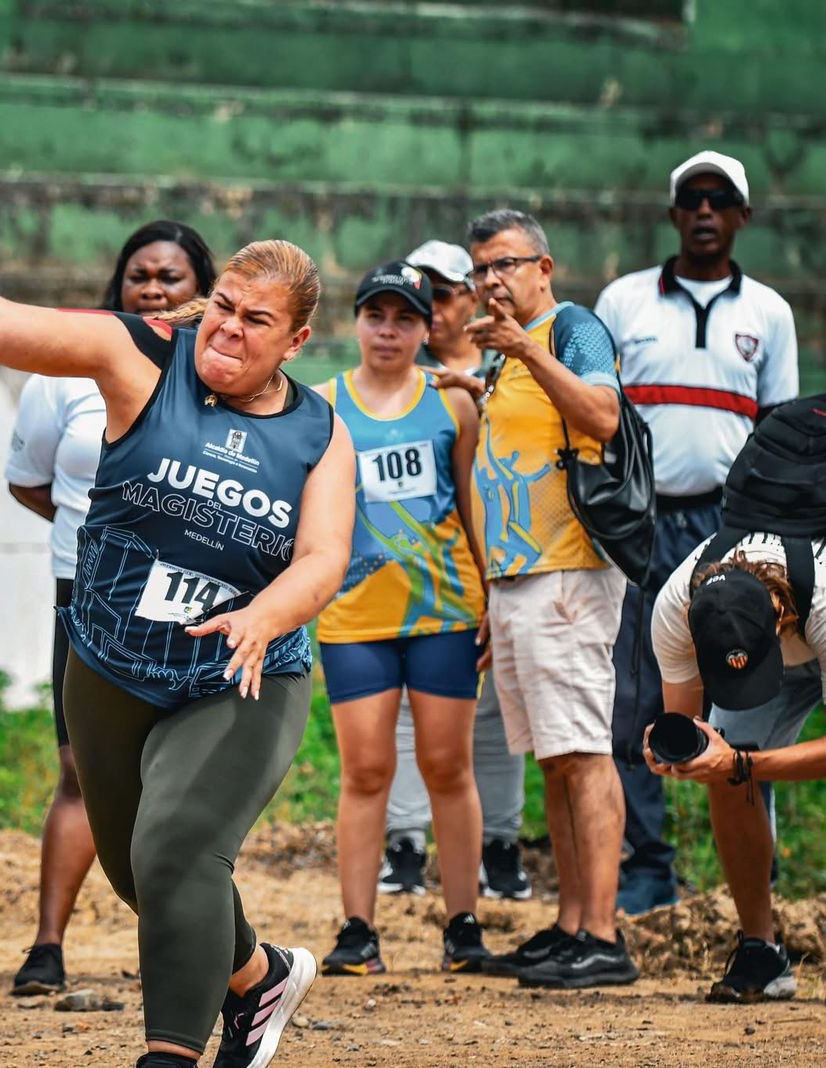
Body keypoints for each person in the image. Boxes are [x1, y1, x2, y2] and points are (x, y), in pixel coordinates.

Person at [0, 207, 355, 1068]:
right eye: (224, 308)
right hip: (108, 661)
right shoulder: (139, 356)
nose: (230, 330)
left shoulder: (319, 433)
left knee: (176, 846)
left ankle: (167, 1055)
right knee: (140, 873)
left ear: (295, 340)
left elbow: (324, 559)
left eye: (257, 321)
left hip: (242, 670)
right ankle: (259, 974)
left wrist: (267, 613)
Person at [5, 221, 216, 996]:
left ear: (204, 288)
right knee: (80, 770)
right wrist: (98, 537)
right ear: (117, 284)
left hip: (188, 596)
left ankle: (176, 943)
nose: (154, 290)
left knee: (181, 778)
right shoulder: (65, 370)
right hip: (86, 594)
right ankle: (46, 947)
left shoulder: (216, 373)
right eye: (140, 276)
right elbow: (29, 481)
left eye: (171, 277)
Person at [597, 150, 800, 915]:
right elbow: (599, 412)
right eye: (693, 199)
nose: (706, 211)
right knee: (637, 691)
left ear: (742, 216)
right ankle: (647, 869)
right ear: (675, 213)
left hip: (729, 522)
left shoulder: (768, 313)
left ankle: (750, 874)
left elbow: (778, 427)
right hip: (638, 522)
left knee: (746, 694)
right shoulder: (624, 301)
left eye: (721, 200)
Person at [463, 209, 638, 988]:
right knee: (556, 760)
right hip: (521, 578)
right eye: (481, 269)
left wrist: (525, 348)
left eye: (505, 264)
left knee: (583, 753)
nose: (491, 280)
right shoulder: (508, 352)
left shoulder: (574, 329)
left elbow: (601, 415)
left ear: (544, 267)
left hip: (567, 571)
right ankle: (571, 925)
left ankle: (603, 934)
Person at [314, 262, 493, 977]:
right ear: (356, 322)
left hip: (445, 610)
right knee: (365, 771)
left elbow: (474, 505)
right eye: (376, 316)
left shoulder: (453, 405)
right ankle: (358, 929)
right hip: (355, 618)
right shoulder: (323, 406)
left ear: (427, 327)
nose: (388, 331)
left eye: (405, 319)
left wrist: (492, 598)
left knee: (449, 767)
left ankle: (464, 925)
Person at [647, 526, 826, 1003]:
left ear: (778, 616)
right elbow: (692, 730)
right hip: (789, 628)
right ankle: (760, 949)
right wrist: (683, 754)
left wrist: (740, 760)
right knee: (725, 773)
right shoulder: (675, 608)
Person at [380, 240, 529, 902]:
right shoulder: (408, 374)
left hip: (508, 552)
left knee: (499, 711)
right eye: (423, 297)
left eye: (443, 294)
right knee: (414, 709)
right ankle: (406, 845)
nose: (433, 310)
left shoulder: (509, 366)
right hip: (426, 567)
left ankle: (503, 847)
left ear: (471, 296)